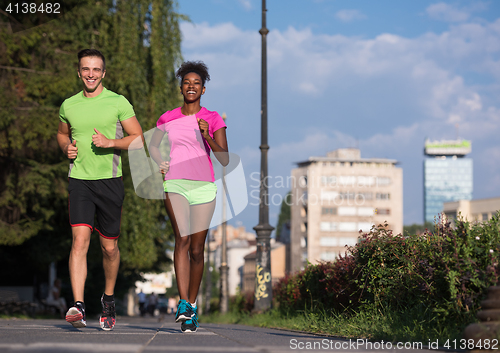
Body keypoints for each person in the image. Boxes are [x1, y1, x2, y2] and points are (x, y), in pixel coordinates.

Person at [57, 48, 143, 330]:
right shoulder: (68, 105)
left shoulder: (118, 102)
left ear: (103, 73)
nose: (90, 74)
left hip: (109, 181)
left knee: (109, 247)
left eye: (96, 69)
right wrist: (65, 147)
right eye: (85, 69)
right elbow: (61, 133)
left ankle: (108, 299)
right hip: (79, 180)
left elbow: (138, 139)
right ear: (78, 72)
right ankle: (79, 306)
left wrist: (110, 143)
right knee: (79, 241)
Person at [149, 61, 229, 333]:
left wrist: (207, 135)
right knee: (182, 238)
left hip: (204, 186)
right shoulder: (167, 117)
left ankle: (192, 306)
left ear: (203, 89)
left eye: (196, 83)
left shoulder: (213, 118)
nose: (191, 86)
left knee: (197, 249)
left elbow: (224, 158)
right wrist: (161, 163)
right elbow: (153, 145)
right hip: (176, 184)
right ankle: (183, 302)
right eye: (186, 82)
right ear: (181, 87)